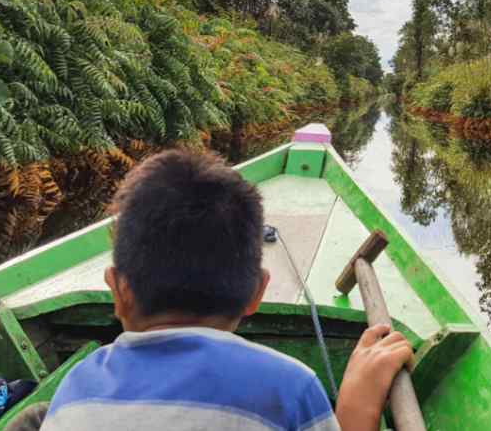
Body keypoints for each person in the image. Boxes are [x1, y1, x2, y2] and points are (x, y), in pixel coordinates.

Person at [21, 148, 412, 431]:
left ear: (117, 291)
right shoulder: (291, 387)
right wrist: (355, 413)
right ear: (257, 293)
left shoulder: (76, 385)